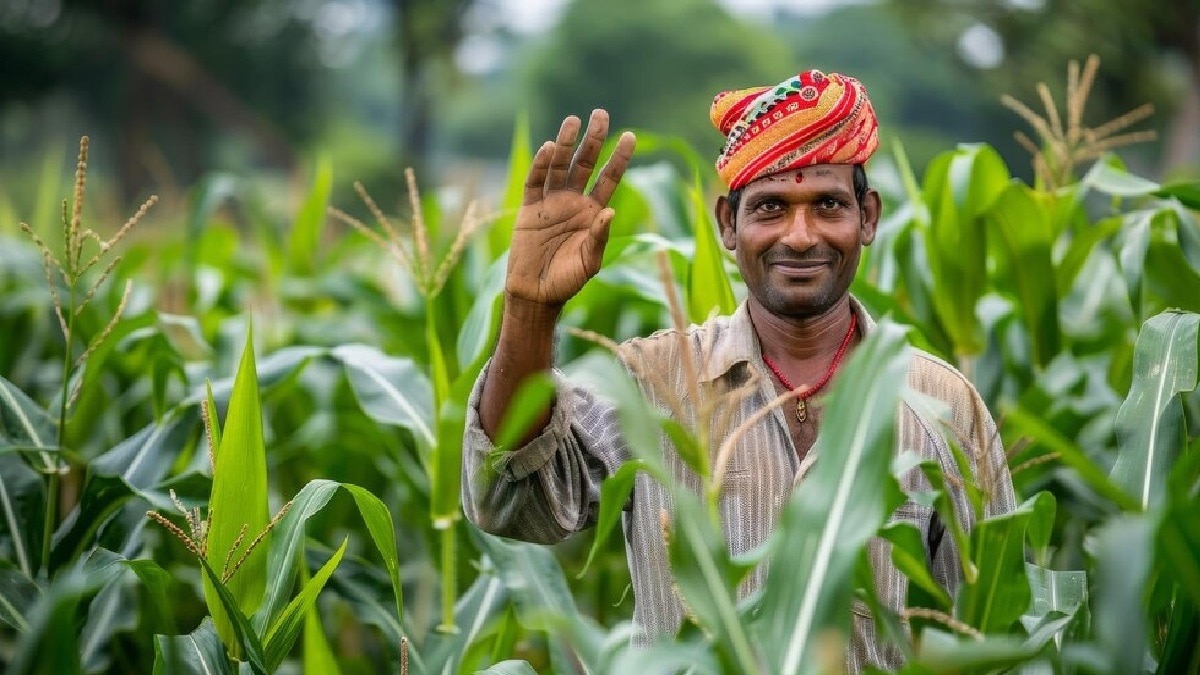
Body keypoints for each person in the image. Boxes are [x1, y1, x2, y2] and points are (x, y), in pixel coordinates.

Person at [461, 69, 1017, 671]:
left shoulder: (940, 403)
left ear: (869, 217)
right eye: (770, 208)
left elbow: (992, 627)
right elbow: (506, 500)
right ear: (729, 223)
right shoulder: (652, 384)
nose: (800, 237)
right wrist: (530, 308)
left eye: (828, 205)